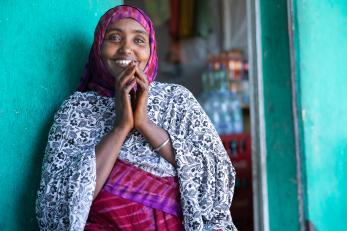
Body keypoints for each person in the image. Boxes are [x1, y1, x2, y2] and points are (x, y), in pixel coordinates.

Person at [36, 5, 237, 231]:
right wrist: (121, 128)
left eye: (139, 41)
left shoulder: (177, 101)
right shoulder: (76, 110)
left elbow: (217, 176)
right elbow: (58, 204)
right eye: (114, 38)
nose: (126, 49)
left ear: (151, 51)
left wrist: (144, 124)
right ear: (98, 49)